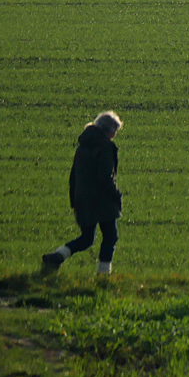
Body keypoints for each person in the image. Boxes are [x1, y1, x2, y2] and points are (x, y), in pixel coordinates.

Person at [41, 111, 124, 276]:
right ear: (109, 130)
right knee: (110, 236)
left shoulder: (83, 146)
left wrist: (74, 199)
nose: (115, 135)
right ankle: (103, 275)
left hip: (83, 198)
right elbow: (106, 176)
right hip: (102, 200)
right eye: (115, 131)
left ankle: (56, 257)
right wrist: (116, 194)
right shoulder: (106, 146)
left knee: (86, 238)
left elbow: (74, 176)